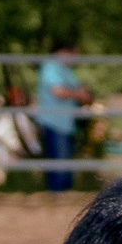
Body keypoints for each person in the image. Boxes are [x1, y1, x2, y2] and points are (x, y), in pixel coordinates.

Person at [35, 44, 96, 193]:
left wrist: (85, 93)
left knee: (66, 162)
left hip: (67, 123)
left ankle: (64, 192)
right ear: (63, 52)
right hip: (54, 123)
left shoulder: (66, 70)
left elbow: (77, 88)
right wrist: (80, 95)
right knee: (59, 163)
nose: (76, 59)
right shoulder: (51, 67)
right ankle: (57, 192)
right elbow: (59, 91)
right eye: (74, 54)